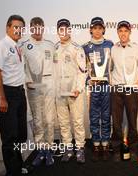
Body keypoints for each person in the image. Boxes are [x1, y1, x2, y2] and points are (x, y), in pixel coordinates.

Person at [0, 15, 27, 175]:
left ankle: (18, 166)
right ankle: (12, 172)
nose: (18, 30)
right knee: (9, 137)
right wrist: (2, 98)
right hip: (7, 94)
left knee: (20, 134)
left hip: (19, 93)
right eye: (15, 26)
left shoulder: (17, 46)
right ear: (8, 28)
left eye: (21, 28)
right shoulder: (0, 46)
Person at [21, 17, 56, 166]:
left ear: (43, 28)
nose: (37, 30)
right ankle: (40, 149)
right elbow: (21, 67)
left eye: (40, 27)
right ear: (30, 28)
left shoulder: (50, 45)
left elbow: (56, 65)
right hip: (33, 85)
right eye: (34, 27)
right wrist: (28, 80)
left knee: (49, 119)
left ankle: (49, 149)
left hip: (48, 83)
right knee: (37, 119)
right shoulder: (24, 46)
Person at [110, 20, 138, 162]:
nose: (123, 33)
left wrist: (136, 84)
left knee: (131, 120)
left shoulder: (136, 48)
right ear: (118, 32)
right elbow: (109, 69)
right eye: (120, 31)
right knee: (116, 122)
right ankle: (117, 149)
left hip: (132, 89)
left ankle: (134, 149)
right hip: (117, 89)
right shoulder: (113, 49)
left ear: (130, 32)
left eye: (126, 31)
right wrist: (112, 84)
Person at [54, 18, 87, 163]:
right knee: (63, 122)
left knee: (78, 122)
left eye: (66, 29)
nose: (64, 32)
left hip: (75, 93)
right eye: (61, 29)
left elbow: (83, 71)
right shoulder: (53, 48)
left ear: (70, 30)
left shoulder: (77, 48)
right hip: (59, 93)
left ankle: (80, 148)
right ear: (57, 31)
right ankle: (67, 148)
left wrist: (78, 89)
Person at [83, 17, 113, 161]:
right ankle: (96, 145)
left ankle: (105, 144)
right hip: (93, 87)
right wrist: (88, 82)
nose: (97, 30)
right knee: (94, 116)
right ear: (90, 29)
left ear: (103, 29)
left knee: (106, 115)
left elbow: (114, 66)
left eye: (99, 28)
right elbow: (82, 69)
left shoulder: (110, 44)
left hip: (106, 86)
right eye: (94, 28)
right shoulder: (85, 47)